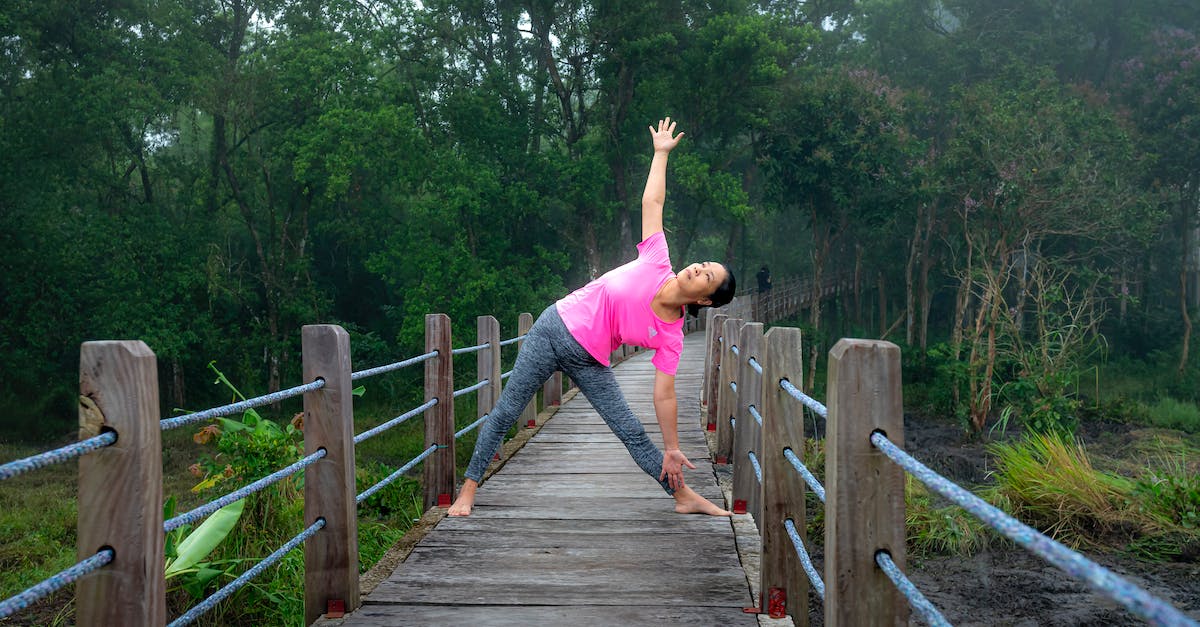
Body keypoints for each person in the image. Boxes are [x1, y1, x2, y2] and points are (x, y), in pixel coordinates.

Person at [449, 118, 736, 517]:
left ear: (705, 300)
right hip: (553, 329)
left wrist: (672, 447)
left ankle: (683, 497)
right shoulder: (657, 259)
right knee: (508, 410)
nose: (697, 269)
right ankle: (468, 490)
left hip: (591, 360)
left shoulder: (671, 334)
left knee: (631, 431)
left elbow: (664, 393)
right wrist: (660, 155)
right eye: (703, 263)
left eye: (707, 276)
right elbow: (652, 204)